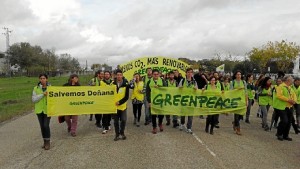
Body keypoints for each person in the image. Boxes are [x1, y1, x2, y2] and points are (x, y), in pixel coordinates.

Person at [274, 75, 296, 141]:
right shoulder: (280, 87)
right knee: (284, 121)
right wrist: (288, 100)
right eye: (292, 79)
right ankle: (279, 133)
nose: (293, 80)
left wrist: (294, 101)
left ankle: (285, 135)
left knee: (289, 122)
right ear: (287, 80)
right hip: (281, 107)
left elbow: (294, 95)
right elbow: (279, 96)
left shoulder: (290, 88)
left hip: (289, 107)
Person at [32, 74, 51, 150]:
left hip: (48, 110)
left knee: (46, 125)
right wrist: (43, 94)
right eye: (41, 78)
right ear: (39, 79)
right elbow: (34, 99)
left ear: (47, 79)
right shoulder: (35, 88)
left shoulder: (51, 88)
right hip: (39, 110)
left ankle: (47, 142)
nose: (42, 80)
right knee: (42, 127)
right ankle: (44, 141)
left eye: (44, 78)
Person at [146, 69, 167, 134]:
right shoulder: (149, 82)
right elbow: (147, 92)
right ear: (152, 75)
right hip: (153, 101)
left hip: (161, 100)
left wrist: (159, 87)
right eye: (154, 74)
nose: (156, 75)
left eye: (157, 74)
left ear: (159, 74)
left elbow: (166, 89)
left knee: (161, 114)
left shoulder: (163, 81)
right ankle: (154, 127)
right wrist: (149, 101)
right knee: (153, 114)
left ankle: (160, 123)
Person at [178, 68, 198, 134]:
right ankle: (182, 123)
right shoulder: (183, 80)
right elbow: (178, 89)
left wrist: (196, 89)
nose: (189, 74)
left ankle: (189, 127)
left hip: (191, 101)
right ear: (186, 73)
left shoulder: (194, 81)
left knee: (190, 115)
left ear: (192, 73)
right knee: (183, 114)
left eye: (191, 72)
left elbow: (197, 91)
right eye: (188, 72)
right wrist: (180, 88)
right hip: (183, 100)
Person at [113, 70, 129, 141]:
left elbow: (126, 97)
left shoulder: (126, 84)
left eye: (120, 75)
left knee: (123, 120)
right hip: (114, 107)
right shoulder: (112, 84)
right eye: (118, 75)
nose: (119, 76)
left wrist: (120, 102)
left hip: (122, 106)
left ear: (122, 76)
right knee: (116, 121)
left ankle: (122, 132)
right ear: (115, 76)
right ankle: (117, 134)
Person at [230, 70, 248, 135]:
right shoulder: (232, 82)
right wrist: (238, 89)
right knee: (236, 115)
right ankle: (238, 129)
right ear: (235, 75)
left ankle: (235, 122)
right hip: (235, 101)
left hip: (242, 100)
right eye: (237, 74)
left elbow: (246, 92)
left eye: (240, 74)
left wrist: (246, 101)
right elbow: (230, 91)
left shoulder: (244, 82)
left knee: (241, 115)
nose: (239, 75)